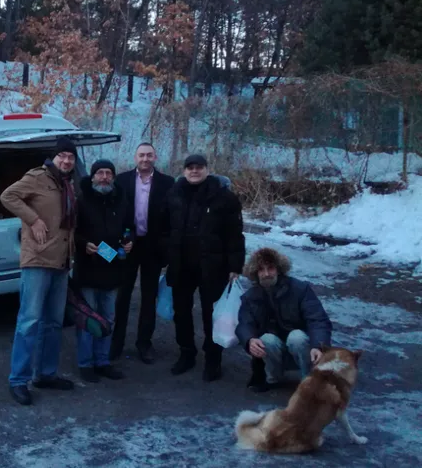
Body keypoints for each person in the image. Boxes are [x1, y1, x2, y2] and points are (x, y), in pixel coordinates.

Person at [0, 137, 79, 406]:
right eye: (62, 156)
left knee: (53, 323)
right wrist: (32, 219)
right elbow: (8, 196)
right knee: (29, 322)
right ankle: (18, 380)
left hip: (61, 261)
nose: (66, 161)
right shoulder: (37, 177)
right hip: (37, 259)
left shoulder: (68, 182)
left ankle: (45, 374)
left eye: (71, 157)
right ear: (54, 157)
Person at [161, 153, 245, 381]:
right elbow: (165, 229)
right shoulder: (174, 195)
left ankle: (213, 360)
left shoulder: (224, 197)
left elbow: (235, 236)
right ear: (184, 170)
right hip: (181, 265)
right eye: (190, 167)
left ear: (207, 169)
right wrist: (165, 255)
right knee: (182, 313)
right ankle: (186, 354)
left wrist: (235, 265)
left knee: (212, 314)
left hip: (213, 266)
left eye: (199, 167)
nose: (194, 171)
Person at [236, 247, 333, 393]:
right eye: (261, 270)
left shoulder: (300, 289)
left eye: (271, 268)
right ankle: (273, 378)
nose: (267, 274)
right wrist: (249, 339)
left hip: (301, 346)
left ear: (279, 269)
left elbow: (318, 320)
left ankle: (311, 378)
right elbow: (244, 323)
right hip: (273, 348)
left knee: (297, 337)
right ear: (255, 273)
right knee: (266, 339)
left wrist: (318, 345)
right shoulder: (250, 297)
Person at [111, 142, 175, 363]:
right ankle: (115, 342)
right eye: (141, 155)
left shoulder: (167, 183)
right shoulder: (121, 180)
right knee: (122, 295)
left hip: (153, 246)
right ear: (135, 157)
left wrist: (167, 247)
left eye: (149, 155)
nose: (145, 159)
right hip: (128, 245)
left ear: (155, 157)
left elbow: (171, 218)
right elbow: (115, 213)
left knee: (149, 296)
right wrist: (121, 239)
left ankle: (144, 344)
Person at [73, 159, 133, 382]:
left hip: (113, 268)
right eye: (100, 173)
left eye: (109, 173)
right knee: (89, 318)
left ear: (113, 177)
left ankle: (102, 361)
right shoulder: (81, 199)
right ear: (92, 176)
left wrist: (129, 240)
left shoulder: (121, 199)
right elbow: (72, 231)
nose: (105, 177)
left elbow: (130, 226)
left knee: (108, 317)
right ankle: (85, 363)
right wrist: (82, 244)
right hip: (88, 268)